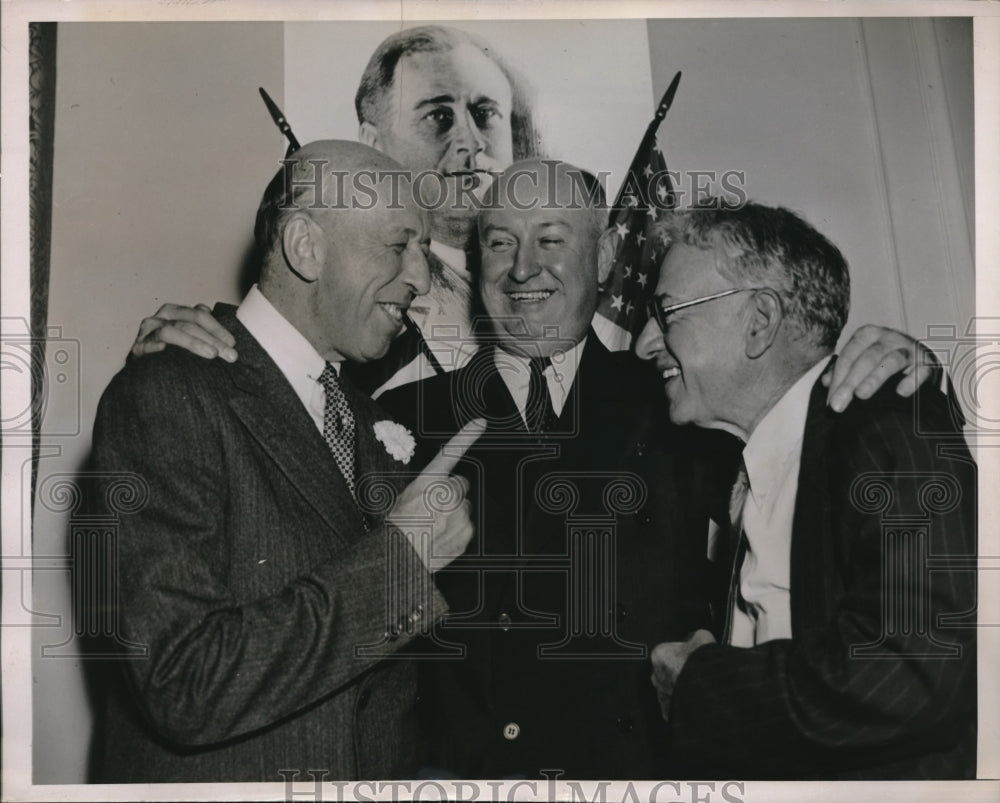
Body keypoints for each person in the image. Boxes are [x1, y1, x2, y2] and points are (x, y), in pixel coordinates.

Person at [86, 140, 484, 782]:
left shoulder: (373, 419)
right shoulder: (166, 392)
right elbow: (180, 683)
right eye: (399, 245)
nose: (420, 276)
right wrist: (400, 564)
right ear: (306, 246)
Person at [636, 202, 976, 779]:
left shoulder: (886, 422)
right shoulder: (742, 465)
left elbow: (913, 669)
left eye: (667, 313)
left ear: (760, 320)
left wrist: (700, 687)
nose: (646, 342)